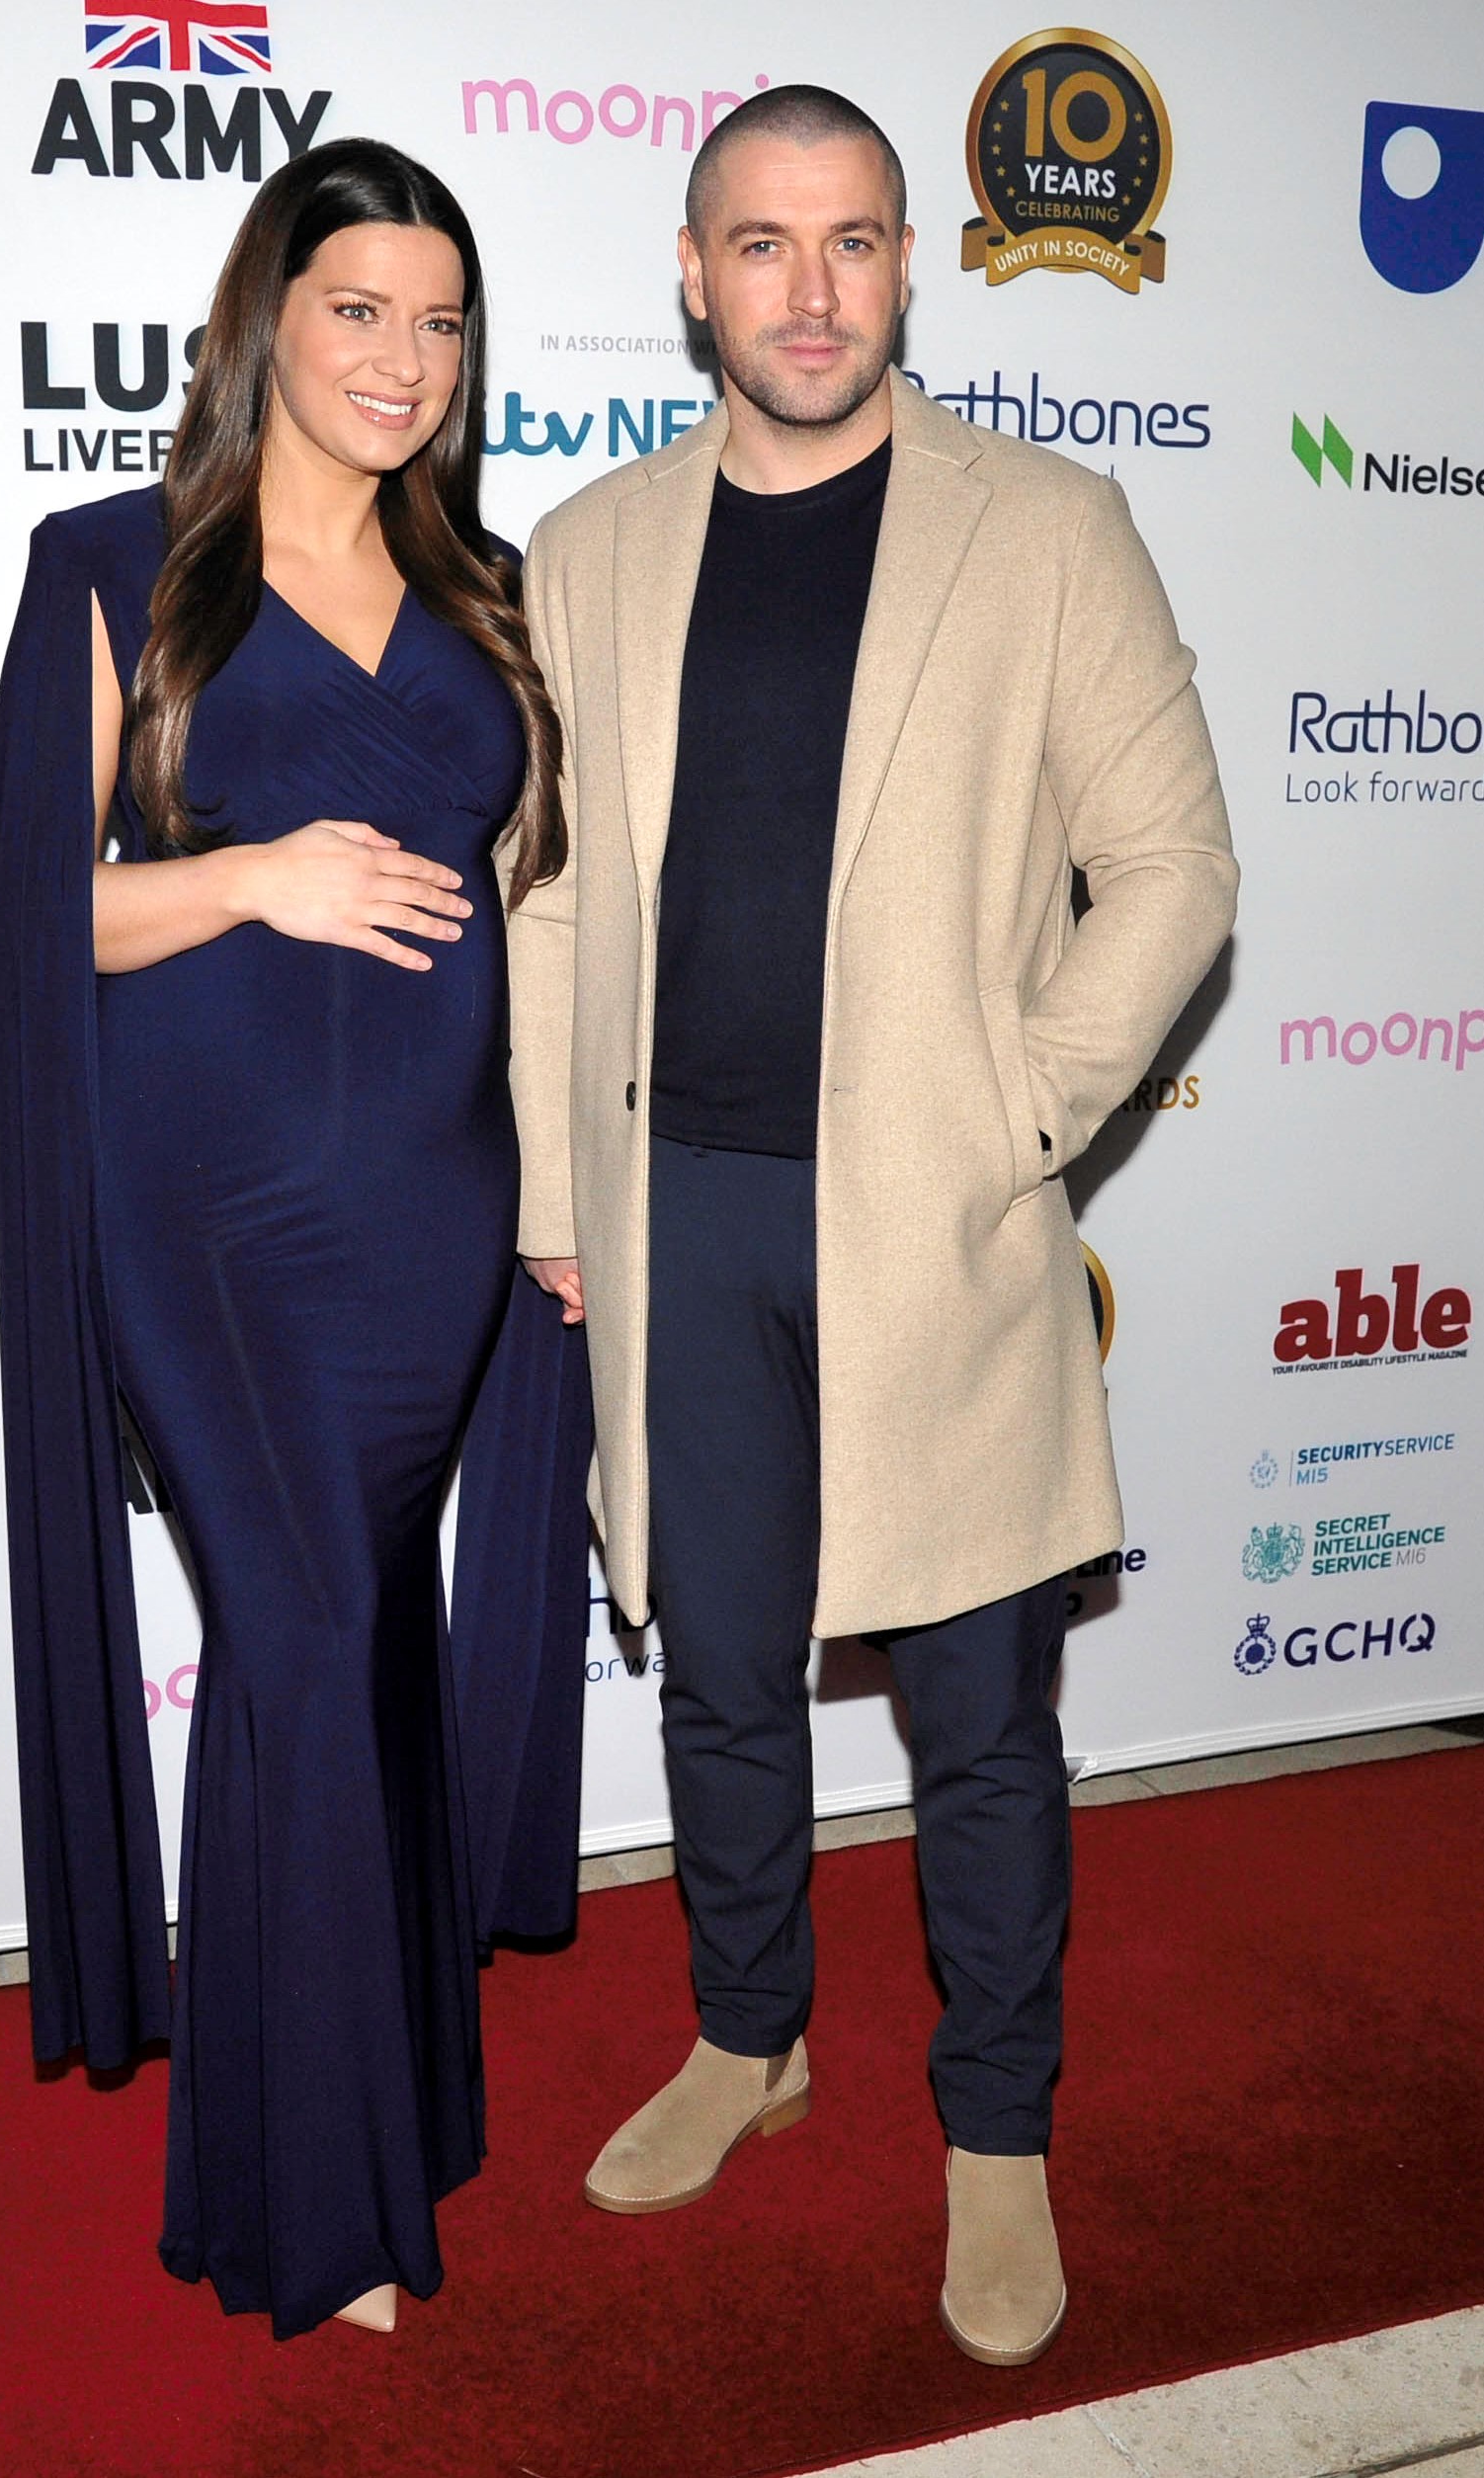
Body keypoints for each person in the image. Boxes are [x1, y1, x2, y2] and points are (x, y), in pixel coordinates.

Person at [513, 85, 1236, 2366]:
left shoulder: (1045, 526)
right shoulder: (587, 545)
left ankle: (996, 2127)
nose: (806, 288)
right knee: (716, 1678)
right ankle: (753, 2036)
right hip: (677, 1214)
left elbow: (1176, 873)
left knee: (980, 1716)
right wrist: (556, 1190)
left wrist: (1015, 1114)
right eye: (760, 244)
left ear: (909, 264)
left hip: (937, 1217)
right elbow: (545, 909)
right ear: (694, 274)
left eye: (849, 243)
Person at [0, 138, 591, 2343]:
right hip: (210, 1214)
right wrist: (252, 877)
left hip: (435, 1207)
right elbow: (36, 916)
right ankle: (311, 2205)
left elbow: (545, 922)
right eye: (360, 310)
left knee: (366, 1653)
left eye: (440, 321)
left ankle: (384, 2096)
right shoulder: (117, 569)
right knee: (312, 1631)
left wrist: (566, 1197)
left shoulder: (494, 590)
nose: (403, 358)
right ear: (269, 316)